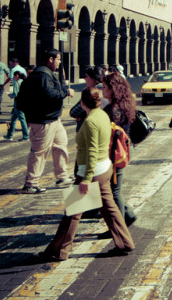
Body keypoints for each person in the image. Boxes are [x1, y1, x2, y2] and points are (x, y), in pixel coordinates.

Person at [39, 87, 135, 262]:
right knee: (110, 210)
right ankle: (125, 243)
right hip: (104, 169)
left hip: (91, 172)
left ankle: (58, 250)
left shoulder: (90, 121)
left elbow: (91, 151)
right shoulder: (102, 115)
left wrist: (86, 179)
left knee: (73, 214)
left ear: (82, 103)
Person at [18, 49, 75, 193]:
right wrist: (66, 92)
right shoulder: (43, 75)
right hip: (44, 120)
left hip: (53, 118)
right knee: (39, 152)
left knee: (61, 144)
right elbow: (48, 94)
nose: (60, 62)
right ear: (50, 59)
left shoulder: (44, 73)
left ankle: (62, 176)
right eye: (58, 59)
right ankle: (31, 184)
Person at [102, 72, 138, 228]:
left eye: (104, 87)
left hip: (114, 153)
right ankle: (128, 216)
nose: (102, 90)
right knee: (113, 189)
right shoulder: (124, 103)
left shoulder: (112, 109)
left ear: (113, 89)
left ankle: (118, 228)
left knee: (114, 191)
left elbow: (107, 133)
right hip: (123, 150)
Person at [4, 70, 29, 141]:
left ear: (16, 75)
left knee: (22, 118)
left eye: (14, 76)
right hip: (23, 101)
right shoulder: (24, 81)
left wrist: (10, 95)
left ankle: (26, 136)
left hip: (18, 101)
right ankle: (9, 135)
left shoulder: (17, 82)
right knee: (13, 119)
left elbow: (16, 93)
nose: (13, 78)